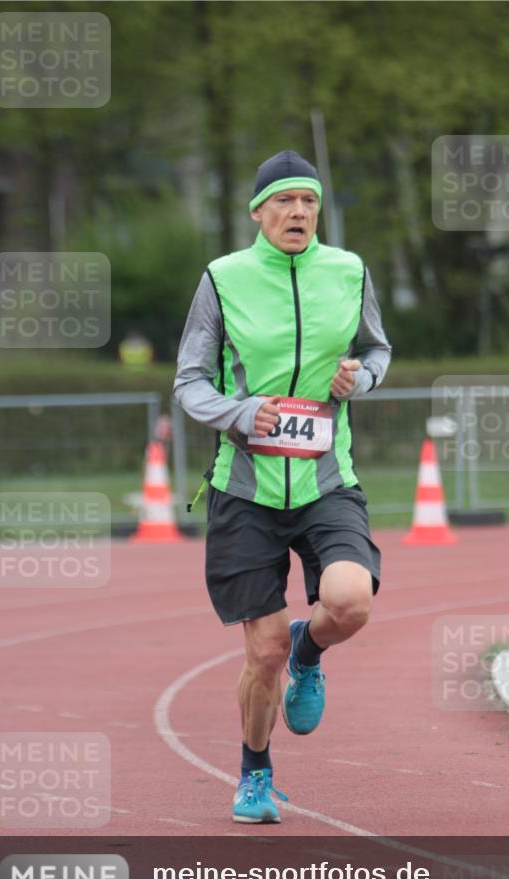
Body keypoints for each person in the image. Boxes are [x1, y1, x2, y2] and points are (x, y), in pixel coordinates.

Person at [174, 150, 391, 823]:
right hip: (246, 487)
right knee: (259, 652)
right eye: (285, 202)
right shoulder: (223, 279)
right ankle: (255, 774)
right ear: (258, 213)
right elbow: (189, 381)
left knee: (350, 601)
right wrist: (241, 413)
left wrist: (360, 379)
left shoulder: (348, 271)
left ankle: (311, 646)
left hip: (327, 479)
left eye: (308, 203)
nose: (298, 213)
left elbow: (377, 351)